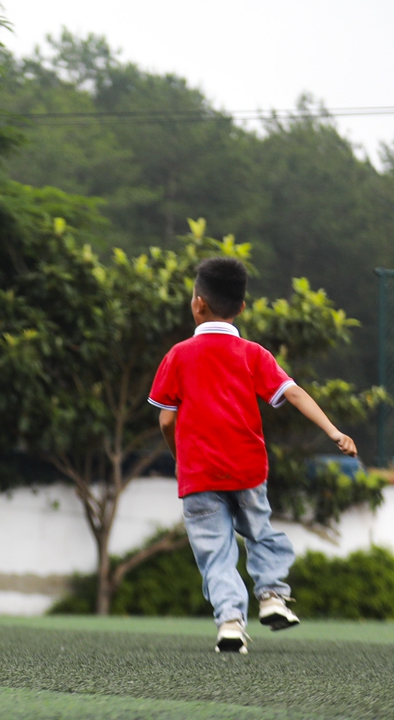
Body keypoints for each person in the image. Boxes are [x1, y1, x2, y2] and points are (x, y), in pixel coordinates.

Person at [149, 257, 357, 654]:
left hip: (199, 476)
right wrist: (333, 431)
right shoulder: (253, 354)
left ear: (197, 304)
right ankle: (273, 597)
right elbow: (292, 392)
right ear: (242, 307)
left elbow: (165, 421)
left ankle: (230, 623)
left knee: (215, 553)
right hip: (247, 468)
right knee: (261, 533)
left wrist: (180, 458)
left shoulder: (178, 355)